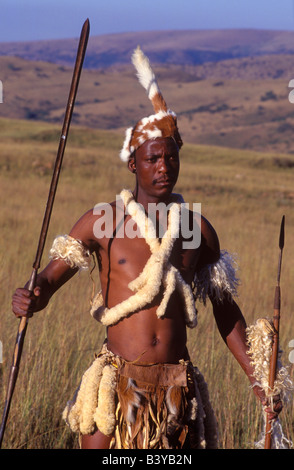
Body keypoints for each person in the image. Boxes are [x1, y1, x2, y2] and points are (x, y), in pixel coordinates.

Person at [11, 46, 282, 449]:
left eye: (171, 158)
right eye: (153, 159)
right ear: (133, 164)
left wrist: (258, 378)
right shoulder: (101, 221)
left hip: (176, 388)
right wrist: (32, 296)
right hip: (115, 386)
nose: (164, 168)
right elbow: (50, 279)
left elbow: (226, 312)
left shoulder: (196, 229)